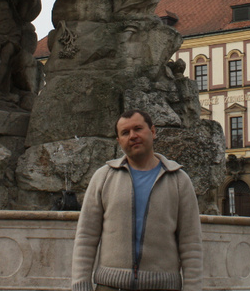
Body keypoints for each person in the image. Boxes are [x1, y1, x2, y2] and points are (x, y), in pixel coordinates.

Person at [71, 109, 202, 291]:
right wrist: (80, 286)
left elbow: (191, 243)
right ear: (119, 141)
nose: (133, 136)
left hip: (162, 286)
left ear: (153, 132)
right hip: (111, 286)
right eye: (125, 133)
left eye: (138, 129)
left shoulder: (179, 180)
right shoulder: (103, 177)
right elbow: (86, 237)